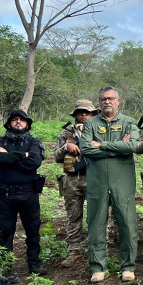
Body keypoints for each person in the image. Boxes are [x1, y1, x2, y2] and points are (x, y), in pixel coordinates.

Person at [79, 86, 140, 283]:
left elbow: (132, 146)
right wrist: (117, 148)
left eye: (111, 98)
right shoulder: (90, 124)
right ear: (99, 102)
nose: (107, 102)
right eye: (103, 99)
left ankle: (128, 266)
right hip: (97, 181)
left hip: (122, 180)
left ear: (118, 101)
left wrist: (103, 145)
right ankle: (98, 267)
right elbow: (86, 149)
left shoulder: (128, 122)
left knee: (127, 222)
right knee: (96, 223)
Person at [0, 109, 45, 275]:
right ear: (8, 123)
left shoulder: (34, 141)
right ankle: (5, 266)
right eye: (15, 119)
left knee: (33, 230)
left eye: (22, 120)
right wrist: (23, 155)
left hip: (29, 193)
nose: (18, 122)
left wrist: (11, 157)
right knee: (6, 230)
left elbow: (35, 162)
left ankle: (34, 264)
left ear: (27, 124)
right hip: (7, 194)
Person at [53, 99, 98, 267]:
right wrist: (66, 147)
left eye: (87, 112)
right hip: (72, 180)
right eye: (80, 112)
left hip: (95, 178)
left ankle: (98, 249)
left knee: (98, 215)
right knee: (73, 216)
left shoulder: (100, 129)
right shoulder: (67, 133)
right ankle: (74, 251)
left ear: (93, 114)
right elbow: (56, 156)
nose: (83, 115)